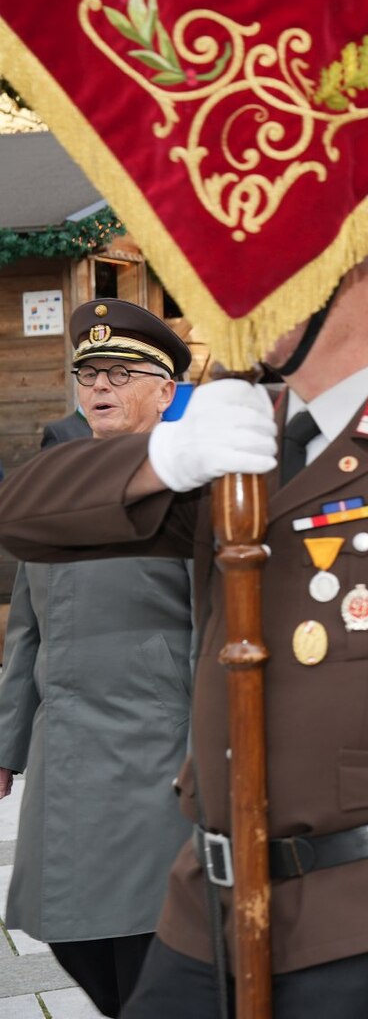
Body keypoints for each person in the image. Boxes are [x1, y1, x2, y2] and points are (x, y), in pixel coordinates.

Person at [0, 230, 368, 1019]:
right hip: (209, 907)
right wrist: (167, 456)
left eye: (293, 267)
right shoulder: (245, 438)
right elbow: (26, 520)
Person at [0, 301, 195, 1016]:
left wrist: (213, 754)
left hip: (156, 752)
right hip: (64, 753)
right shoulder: (57, 484)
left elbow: (217, 631)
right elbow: (26, 628)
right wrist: (6, 746)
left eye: (121, 373)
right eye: (89, 374)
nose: (100, 387)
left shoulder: (189, 487)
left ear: (165, 392)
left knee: (149, 940)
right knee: (70, 937)